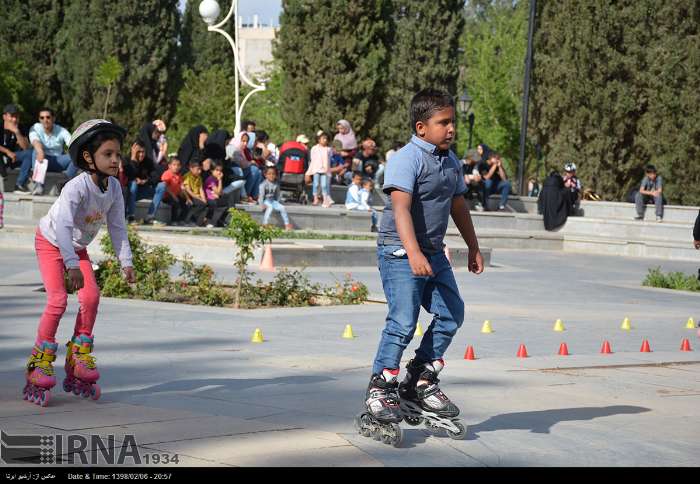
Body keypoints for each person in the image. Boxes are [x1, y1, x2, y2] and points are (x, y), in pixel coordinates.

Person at [362, 89, 483, 435]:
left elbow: (458, 206)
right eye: (443, 123)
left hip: (432, 250)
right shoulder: (406, 158)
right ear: (421, 127)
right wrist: (413, 252)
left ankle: (419, 378)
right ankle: (379, 388)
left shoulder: (451, 161)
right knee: (402, 321)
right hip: (400, 251)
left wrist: (473, 246)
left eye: (452, 123)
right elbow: (400, 209)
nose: (450, 129)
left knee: (452, 313)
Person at [22, 119, 135, 407]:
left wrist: (126, 261)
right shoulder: (76, 187)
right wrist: (71, 264)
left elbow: (118, 227)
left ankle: (78, 356)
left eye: (117, 154)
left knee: (91, 297)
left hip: (76, 249)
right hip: (50, 242)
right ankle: (39, 362)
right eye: (108, 154)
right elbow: (61, 227)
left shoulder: (114, 190)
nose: (115, 160)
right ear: (88, 158)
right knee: (58, 300)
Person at [15, 108, 77, 195]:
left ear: (53, 118)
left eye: (48, 117)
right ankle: (39, 186)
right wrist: (40, 151)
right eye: (42, 118)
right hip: (41, 159)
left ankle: (64, 184)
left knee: (76, 156)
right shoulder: (35, 128)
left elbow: (72, 143)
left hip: (57, 161)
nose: (45, 120)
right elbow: (35, 141)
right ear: (39, 119)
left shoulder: (61, 130)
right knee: (35, 151)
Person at [124, 140, 158, 224]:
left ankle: (150, 216)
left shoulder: (148, 161)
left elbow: (156, 177)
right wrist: (133, 159)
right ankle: (131, 216)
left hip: (142, 191)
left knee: (162, 186)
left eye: (143, 152)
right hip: (129, 193)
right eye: (138, 152)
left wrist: (145, 181)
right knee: (133, 184)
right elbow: (129, 174)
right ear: (133, 151)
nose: (141, 154)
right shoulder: (126, 160)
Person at [228, 131, 262, 203]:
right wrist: (251, 163)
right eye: (243, 141)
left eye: (247, 141)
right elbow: (241, 163)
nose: (245, 143)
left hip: (242, 170)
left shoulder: (244, 150)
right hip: (235, 172)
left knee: (258, 171)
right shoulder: (234, 148)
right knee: (254, 170)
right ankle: (246, 195)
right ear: (238, 140)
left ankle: (253, 196)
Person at [156, 156, 188, 226]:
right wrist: (173, 196)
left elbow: (181, 187)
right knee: (175, 204)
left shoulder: (179, 175)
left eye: (178, 165)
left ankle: (181, 220)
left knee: (185, 204)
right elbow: (165, 186)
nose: (176, 167)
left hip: (175, 195)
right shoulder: (167, 173)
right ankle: (174, 221)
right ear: (169, 166)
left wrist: (186, 197)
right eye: (174, 165)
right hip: (167, 196)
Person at [259, 166, 292, 230]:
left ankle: (287, 224)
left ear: (276, 175)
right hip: (266, 201)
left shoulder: (276, 184)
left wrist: (278, 203)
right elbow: (261, 196)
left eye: (273, 174)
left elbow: (277, 195)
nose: (271, 175)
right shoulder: (263, 184)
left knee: (282, 208)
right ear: (265, 175)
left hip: (273, 201)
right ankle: (265, 224)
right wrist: (262, 204)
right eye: (269, 174)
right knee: (270, 207)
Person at [1, 104, 30, 178]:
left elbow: (26, 148)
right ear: (4, 117)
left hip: (15, 158)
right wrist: (7, 151)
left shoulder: (21, 128)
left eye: (17, 117)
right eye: (12, 116)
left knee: (30, 154)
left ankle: (19, 183)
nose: (14, 119)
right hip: (2, 157)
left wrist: (17, 132)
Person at [307, 131, 333, 207]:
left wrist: (328, 170)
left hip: (324, 170)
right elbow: (312, 159)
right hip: (316, 169)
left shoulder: (328, 149)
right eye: (323, 138)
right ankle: (315, 198)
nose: (325, 140)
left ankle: (325, 200)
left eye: (326, 139)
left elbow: (329, 160)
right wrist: (310, 171)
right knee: (316, 184)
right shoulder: (314, 148)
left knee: (324, 185)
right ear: (318, 140)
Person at [181, 158, 208, 226]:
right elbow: (189, 191)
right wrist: (201, 199)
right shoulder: (187, 176)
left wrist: (204, 199)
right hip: (189, 196)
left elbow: (201, 189)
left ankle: (198, 223)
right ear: (191, 168)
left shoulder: (199, 177)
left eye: (200, 169)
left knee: (206, 205)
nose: (199, 171)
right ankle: (186, 220)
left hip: (197, 196)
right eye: (197, 169)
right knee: (200, 204)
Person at [203, 161, 230, 227]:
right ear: (212, 170)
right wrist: (220, 180)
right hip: (209, 198)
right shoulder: (211, 179)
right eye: (217, 170)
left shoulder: (216, 179)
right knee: (216, 203)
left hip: (215, 197)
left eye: (220, 170)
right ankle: (211, 222)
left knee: (227, 204)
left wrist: (218, 194)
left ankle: (220, 221)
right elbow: (218, 192)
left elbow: (220, 192)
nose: (219, 172)